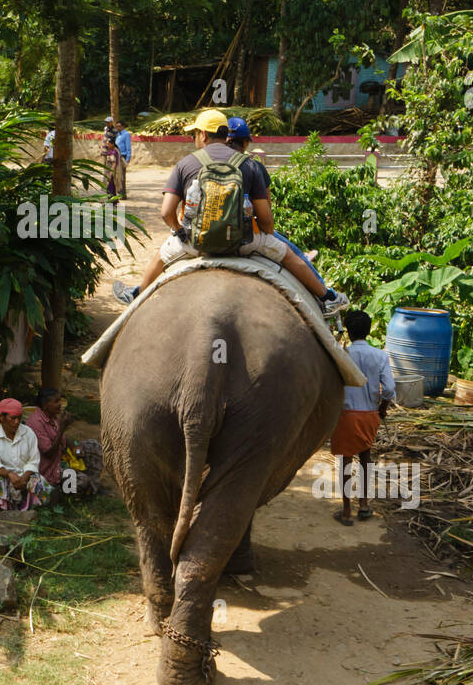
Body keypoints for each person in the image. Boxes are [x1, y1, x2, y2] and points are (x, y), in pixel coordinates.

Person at [112, 109, 349, 312]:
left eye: (195, 133)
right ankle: (327, 298)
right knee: (289, 255)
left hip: (196, 242)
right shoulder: (250, 165)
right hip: (244, 242)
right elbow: (265, 217)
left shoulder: (186, 163)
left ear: (203, 135)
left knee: (160, 256)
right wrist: (265, 235)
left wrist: (179, 232)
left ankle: (137, 296)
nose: (195, 137)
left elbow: (166, 212)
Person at [226, 117, 324, 287]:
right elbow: (266, 217)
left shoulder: (203, 162)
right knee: (295, 254)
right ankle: (327, 296)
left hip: (203, 235)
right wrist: (268, 233)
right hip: (246, 238)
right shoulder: (254, 167)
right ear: (245, 143)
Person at [329, 310, 396, 525]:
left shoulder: (341, 354)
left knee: (346, 461)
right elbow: (389, 389)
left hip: (346, 414)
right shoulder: (380, 356)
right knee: (365, 458)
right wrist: (382, 409)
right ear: (368, 330)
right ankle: (364, 505)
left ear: (348, 331)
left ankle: (347, 511)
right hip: (369, 414)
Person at [24, 388, 103, 497]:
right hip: (47, 469)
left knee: (94, 446)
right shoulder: (35, 422)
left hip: (60, 457)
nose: (60, 404)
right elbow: (49, 453)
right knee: (82, 481)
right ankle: (66, 493)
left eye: (60, 400)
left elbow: (63, 439)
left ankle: (93, 488)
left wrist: (75, 446)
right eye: (56, 401)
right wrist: (62, 428)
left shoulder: (52, 416)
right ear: (45, 404)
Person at [0, 398, 53, 510]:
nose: (17, 422)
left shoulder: (28, 433)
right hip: (1, 474)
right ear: (2, 418)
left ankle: (31, 508)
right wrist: (10, 475)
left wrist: (24, 477)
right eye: (13, 418)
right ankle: (2, 509)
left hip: (23, 473)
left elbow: (33, 460)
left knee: (41, 485)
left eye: (19, 418)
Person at [113, 120, 132, 197]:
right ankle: (119, 192)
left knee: (122, 176)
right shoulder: (117, 134)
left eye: (119, 126)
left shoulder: (126, 134)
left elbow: (128, 147)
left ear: (123, 127)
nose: (118, 127)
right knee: (117, 176)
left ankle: (123, 194)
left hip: (122, 157)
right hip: (116, 156)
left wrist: (127, 159)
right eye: (117, 126)